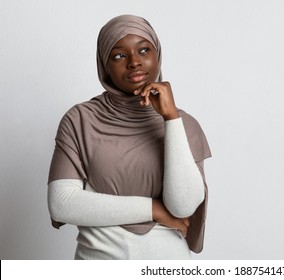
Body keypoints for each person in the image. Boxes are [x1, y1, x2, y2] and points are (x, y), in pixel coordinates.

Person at [47, 14, 211, 259]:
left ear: (157, 53)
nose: (134, 62)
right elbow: (62, 204)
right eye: (119, 55)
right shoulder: (80, 120)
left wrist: (171, 119)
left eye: (144, 50)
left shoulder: (183, 124)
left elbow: (183, 207)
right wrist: (153, 209)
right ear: (105, 64)